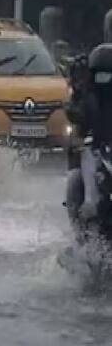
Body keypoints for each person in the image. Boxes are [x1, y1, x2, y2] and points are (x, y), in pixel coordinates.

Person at [66, 44, 112, 219]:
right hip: (97, 151)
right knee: (77, 176)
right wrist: (77, 139)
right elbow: (77, 119)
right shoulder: (86, 98)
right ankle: (89, 203)